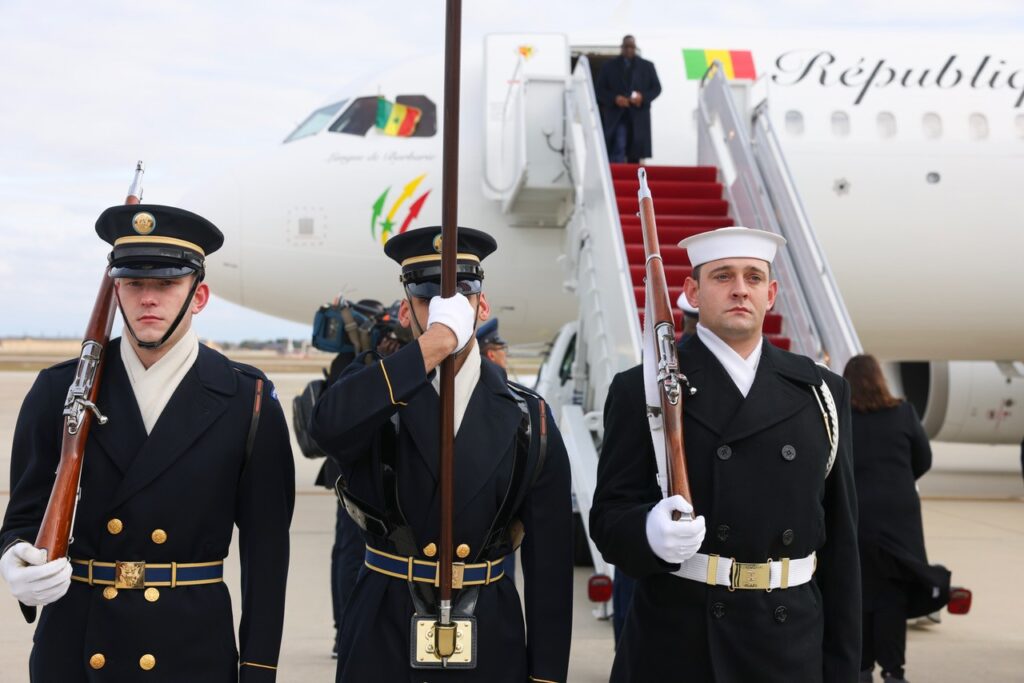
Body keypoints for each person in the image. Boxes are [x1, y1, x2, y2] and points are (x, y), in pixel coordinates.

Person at [0, 205, 295, 681]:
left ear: (198, 296)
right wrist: (15, 558)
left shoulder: (247, 398)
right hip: (76, 650)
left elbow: (266, 555)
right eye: (134, 284)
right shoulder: (59, 390)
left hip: (189, 652)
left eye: (166, 284)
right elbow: (24, 514)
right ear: (116, 291)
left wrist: (258, 670)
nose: (148, 300)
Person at [590, 226, 860, 682]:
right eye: (722, 277)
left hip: (791, 641)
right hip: (682, 643)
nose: (740, 289)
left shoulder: (822, 392)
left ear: (771, 293)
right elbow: (609, 519)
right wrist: (648, 532)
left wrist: (844, 668)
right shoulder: (644, 389)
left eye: (754, 278)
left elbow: (843, 545)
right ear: (692, 291)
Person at [309, 226, 573, 682]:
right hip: (385, 629)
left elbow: (549, 569)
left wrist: (546, 676)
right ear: (407, 309)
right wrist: (432, 345)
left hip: (488, 630)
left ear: (482, 306)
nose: (442, 312)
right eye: (428, 299)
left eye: (458, 298)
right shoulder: (374, 387)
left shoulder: (529, 415)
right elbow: (327, 429)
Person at [843, 354, 950, 683]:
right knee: (893, 595)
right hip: (897, 518)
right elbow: (924, 459)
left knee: (857, 594)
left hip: (856, 515)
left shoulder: (842, 416)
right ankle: (893, 671)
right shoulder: (903, 412)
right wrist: (897, 481)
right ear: (880, 379)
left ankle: (861, 669)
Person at [596, 35, 661, 163]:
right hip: (617, 115)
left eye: (631, 47)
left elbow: (656, 88)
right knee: (619, 144)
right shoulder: (609, 67)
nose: (629, 50)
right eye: (626, 47)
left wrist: (642, 97)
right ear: (622, 47)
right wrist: (615, 98)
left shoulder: (647, 66)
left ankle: (632, 179)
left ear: (635, 48)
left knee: (635, 150)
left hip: (638, 115)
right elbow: (599, 90)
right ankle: (616, 177)